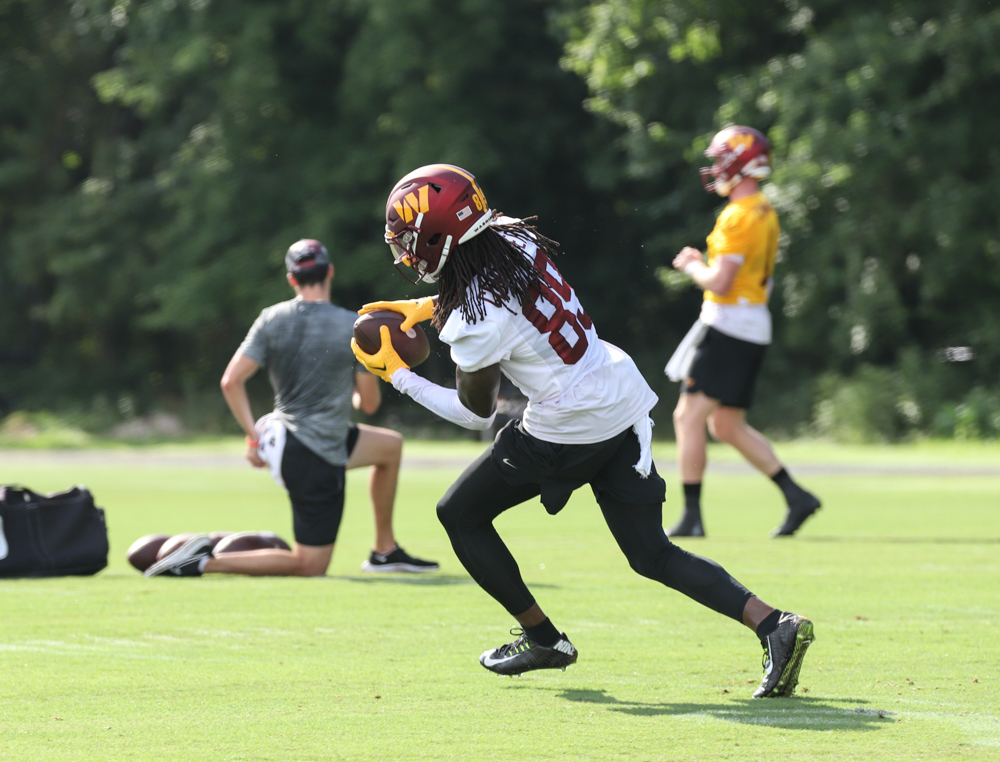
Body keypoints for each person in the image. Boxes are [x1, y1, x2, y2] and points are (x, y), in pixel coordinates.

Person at [350, 163, 814, 697]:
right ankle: (774, 625)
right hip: (617, 391)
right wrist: (431, 306)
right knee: (652, 553)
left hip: (567, 425)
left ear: (439, 238)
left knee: (459, 514)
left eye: (411, 241)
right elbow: (505, 299)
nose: (406, 254)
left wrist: (399, 376)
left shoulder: (475, 319)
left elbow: (475, 411)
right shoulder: (511, 236)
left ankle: (543, 638)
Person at [144, 239, 438, 578]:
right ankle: (202, 562)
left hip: (287, 440)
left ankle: (385, 551)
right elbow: (368, 404)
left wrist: (253, 438)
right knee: (311, 565)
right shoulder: (354, 326)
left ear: (292, 279)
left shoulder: (271, 318)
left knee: (390, 446)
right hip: (314, 453)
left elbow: (230, 382)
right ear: (330, 272)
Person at [665, 126, 821, 539]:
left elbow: (719, 282)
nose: (716, 168)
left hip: (729, 323)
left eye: (721, 160)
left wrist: (692, 265)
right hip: (751, 323)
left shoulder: (738, 215)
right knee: (726, 425)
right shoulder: (764, 210)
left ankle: (692, 516)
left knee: (687, 416)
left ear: (738, 163)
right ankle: (797, 496)